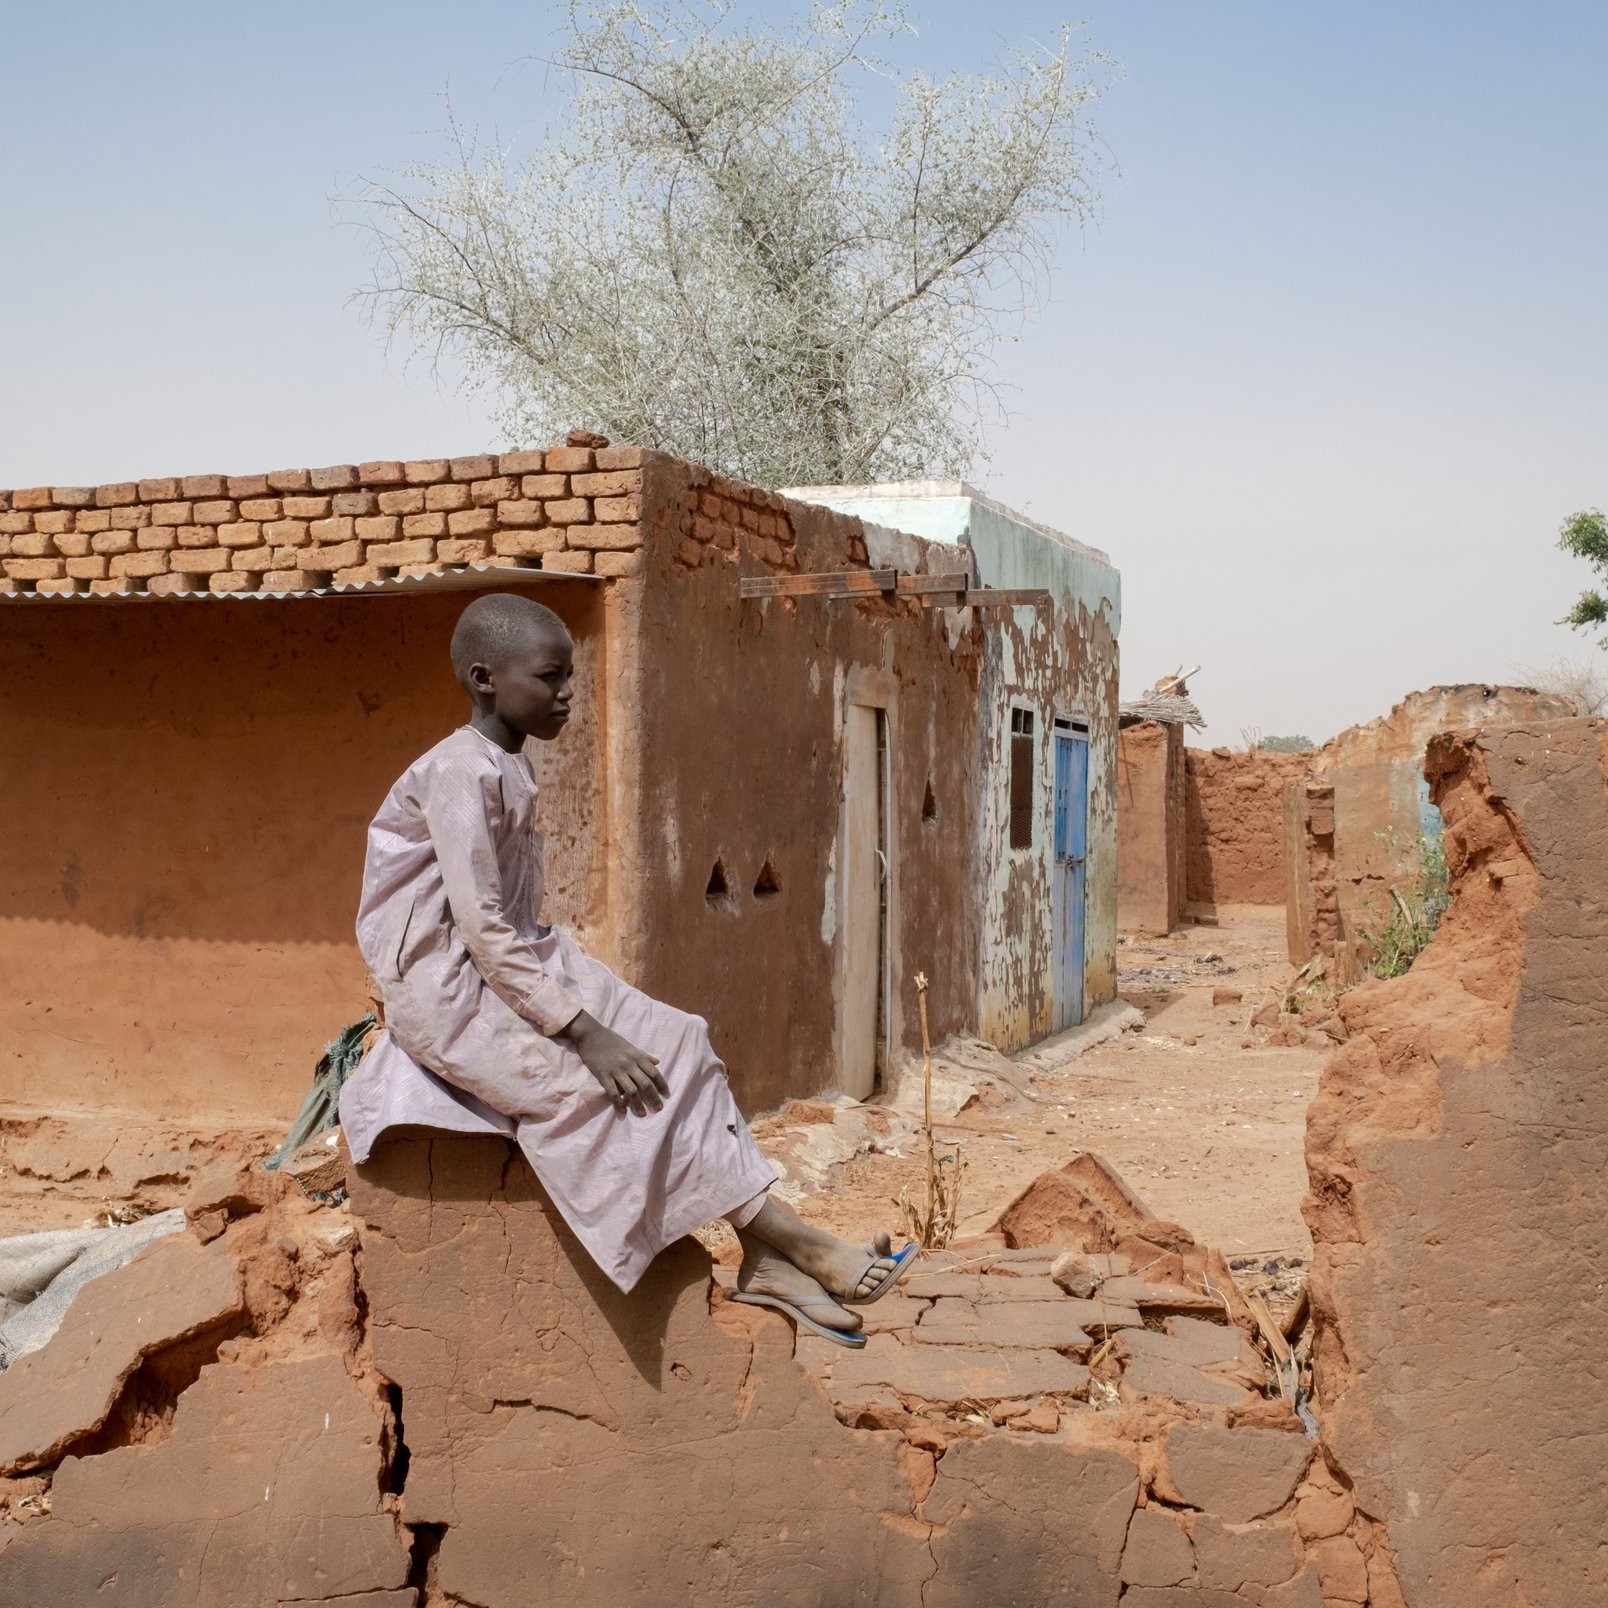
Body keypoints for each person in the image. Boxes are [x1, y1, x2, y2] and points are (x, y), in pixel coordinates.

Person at [339, 592, 914, 1346]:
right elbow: (478, 927)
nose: (567, 692)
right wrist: (582, 1032)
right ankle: (791, 1242)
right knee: (599, 1084)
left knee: (680, 1038)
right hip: (446, 987)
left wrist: (581, 1004)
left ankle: (766, 1254)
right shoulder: (457, 773)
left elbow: (507, 924)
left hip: (513, 960)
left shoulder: (507, 767)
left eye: (569, 676)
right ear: (485, 679)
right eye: (549, 677)